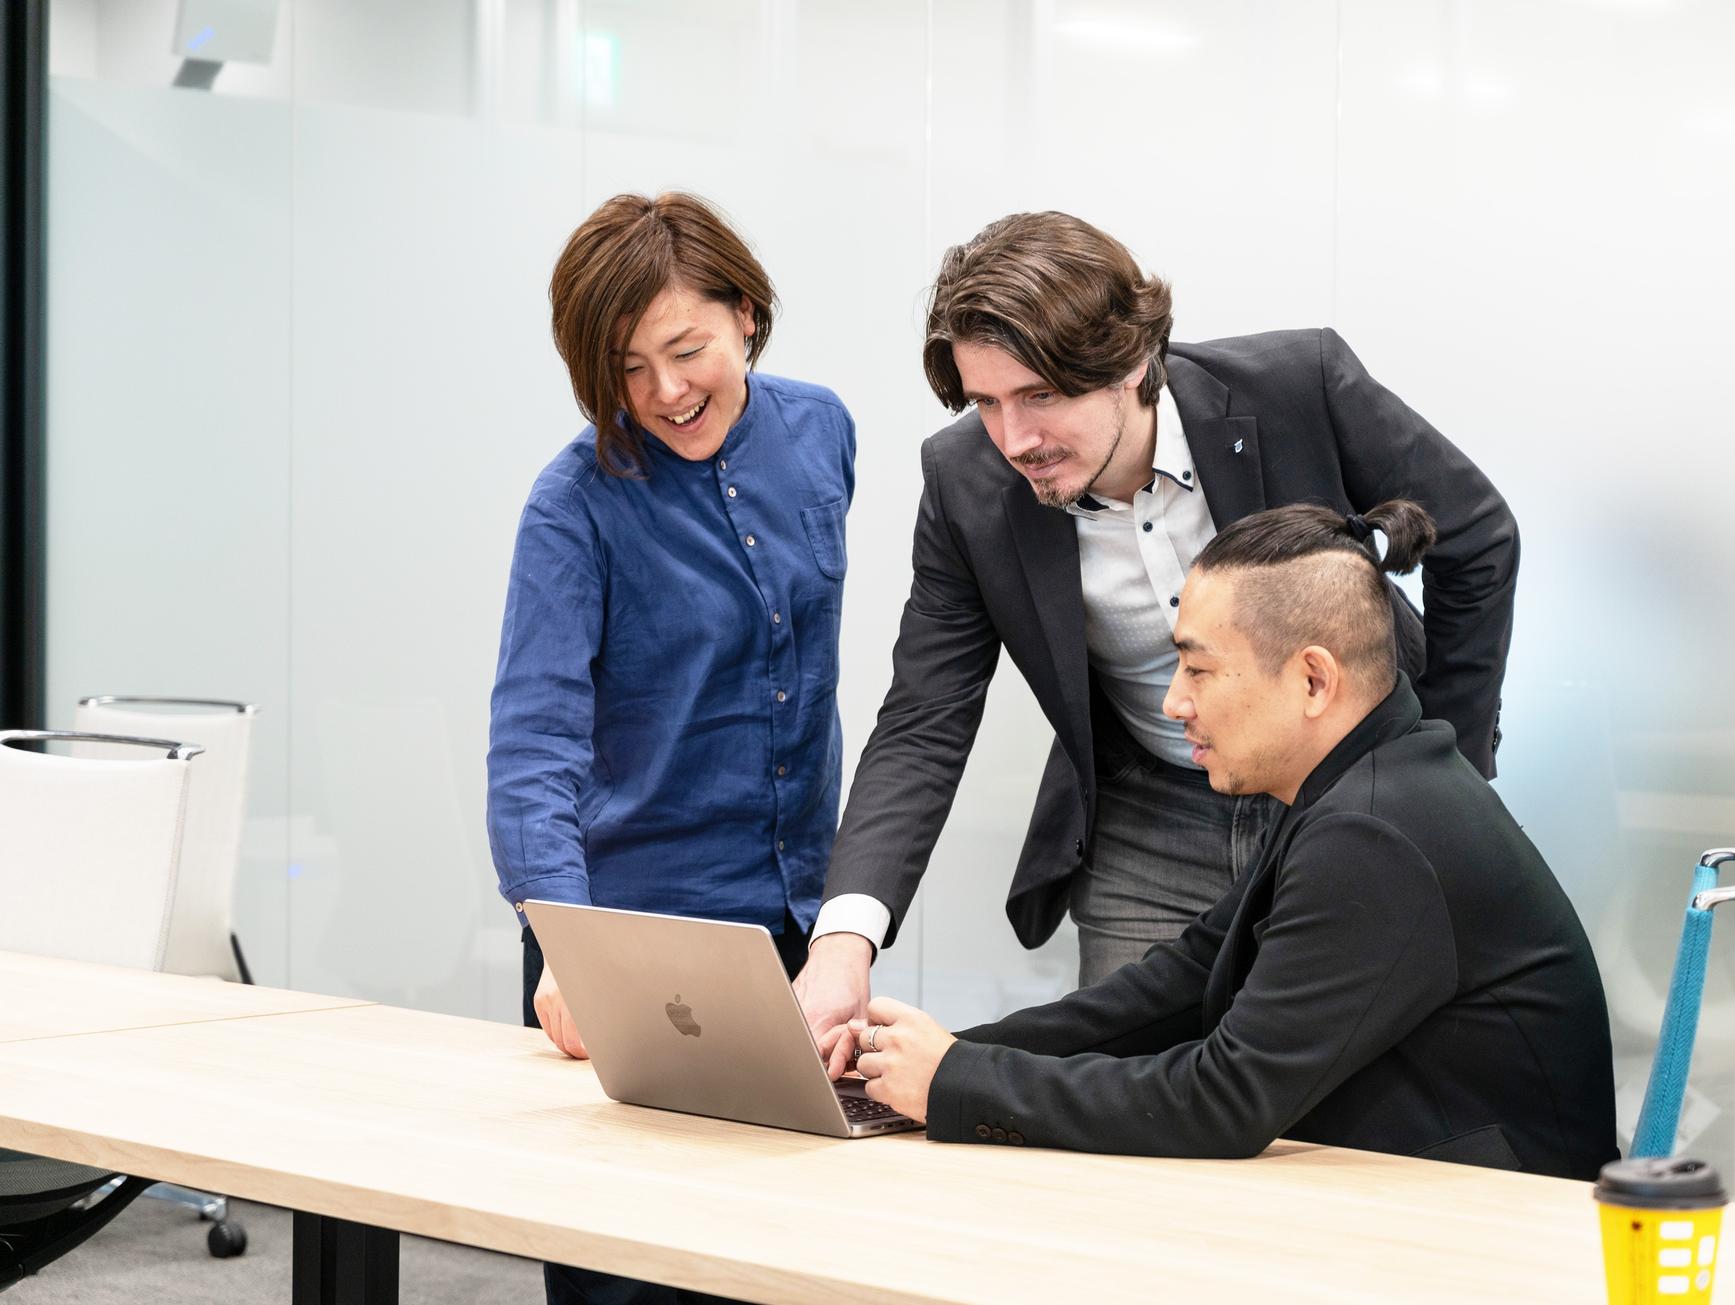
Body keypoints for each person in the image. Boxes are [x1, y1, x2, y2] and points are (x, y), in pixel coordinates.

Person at [795, 211, 1520, 1032]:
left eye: (1041, 395)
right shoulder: (965, 480)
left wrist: (1446, 771)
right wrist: (844, 940)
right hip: (1151, 824)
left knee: (1352, 1069)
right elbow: (925, 716)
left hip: (1346, 790)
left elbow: (1479, 538)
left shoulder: (1297, 384)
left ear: (1132, 361)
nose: (1014, 438)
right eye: (987, 402)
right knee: (1121, 1077)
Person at [821, 501, 1616, 1177]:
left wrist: (960, 1078)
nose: (1173, 703)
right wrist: (930, 1056)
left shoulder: (1375, 833)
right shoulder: (1362, 783)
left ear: (1313, 680)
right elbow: (1179, 984)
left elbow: (1224, 1099)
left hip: (1491, 1234)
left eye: (1197, 670)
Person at [487, 192, 854, 1304]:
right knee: (634, 1272)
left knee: (788, 1257)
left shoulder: (823, 431)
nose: (664, 392)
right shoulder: (573, 506)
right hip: (635, 943)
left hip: (799, 923)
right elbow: (535, 742)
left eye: (687, 350)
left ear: (747, 315)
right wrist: (564, 943)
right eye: (626, 369)